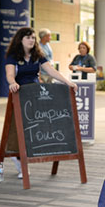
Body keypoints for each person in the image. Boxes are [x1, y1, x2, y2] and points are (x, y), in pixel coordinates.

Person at [5, 27, 77, 179]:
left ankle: (27, 156)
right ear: (21, 40)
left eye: (33, 37)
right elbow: (10, 74)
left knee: (38, 126)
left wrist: (67, 82)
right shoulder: (13, 56)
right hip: (19, 95)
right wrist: (12, 83)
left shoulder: (37, 55)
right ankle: (19, 162)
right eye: (28, 37)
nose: (31, 40)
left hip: (35, 95)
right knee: (17, 130)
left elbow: (51, 71)